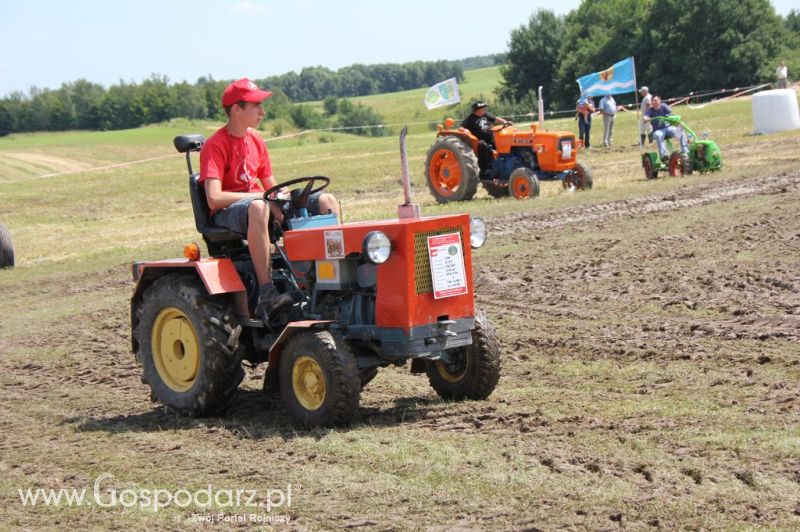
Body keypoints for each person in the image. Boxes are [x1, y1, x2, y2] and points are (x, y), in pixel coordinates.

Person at [199, 78, 340, 322]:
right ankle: (266, 292)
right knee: (258, 207)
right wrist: (263, 198)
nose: (262, 112)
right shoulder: (215, 146)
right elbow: (213, 198)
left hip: (259, 204)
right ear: (236, 109)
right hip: (229, 213)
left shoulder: (256, 141)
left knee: (326, 200)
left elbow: (271, 186)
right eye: (256, 106)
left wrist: (283, 200)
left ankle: (333, 280)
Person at [460, 101, 512, 178]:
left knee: (502, 142)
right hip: (479, 140)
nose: (483, 111)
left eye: (484, 109)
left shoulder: (485, 115)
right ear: (476, 110)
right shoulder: (470, 119)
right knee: (482, 145)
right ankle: (485, 169)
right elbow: (461, 127)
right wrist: (464, 130)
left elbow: (495, 119)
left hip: (490, 137)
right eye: (481, 109)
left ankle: (504, 164)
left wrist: (505, 122)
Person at [643, 95, 688, 162]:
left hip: (668, 128)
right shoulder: (650, 110)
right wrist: (647, 118)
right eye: (652, 101)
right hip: (657, 130)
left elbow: (670, 113)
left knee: (680, 130)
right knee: (659, 135)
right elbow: (645, 117)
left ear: (659, 101)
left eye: (655, 100)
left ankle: (685, 152)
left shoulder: (663, 106)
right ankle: (663, 156)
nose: (654, 102)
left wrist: (673, 119)